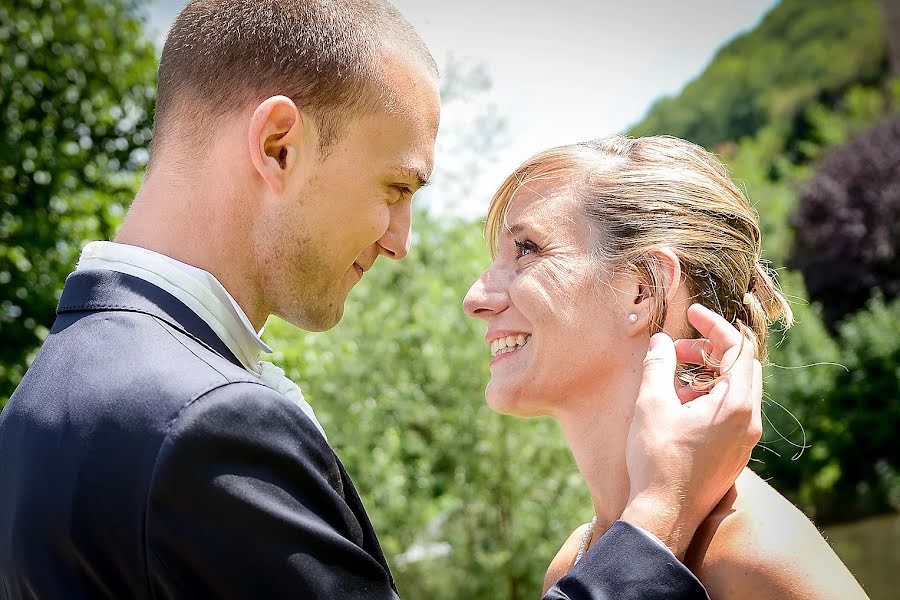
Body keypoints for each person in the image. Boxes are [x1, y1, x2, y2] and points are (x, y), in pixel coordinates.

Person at [0, 2, 759, 598]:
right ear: (278, 147)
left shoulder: (43, 400)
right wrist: (658, 517)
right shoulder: (200, 421)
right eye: (396, 187)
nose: (401, 241)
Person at [463, 135, 869, 599]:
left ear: (642, 288)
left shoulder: (754, 559)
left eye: (527, 250)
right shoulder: (573, 563)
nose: (475, 298)